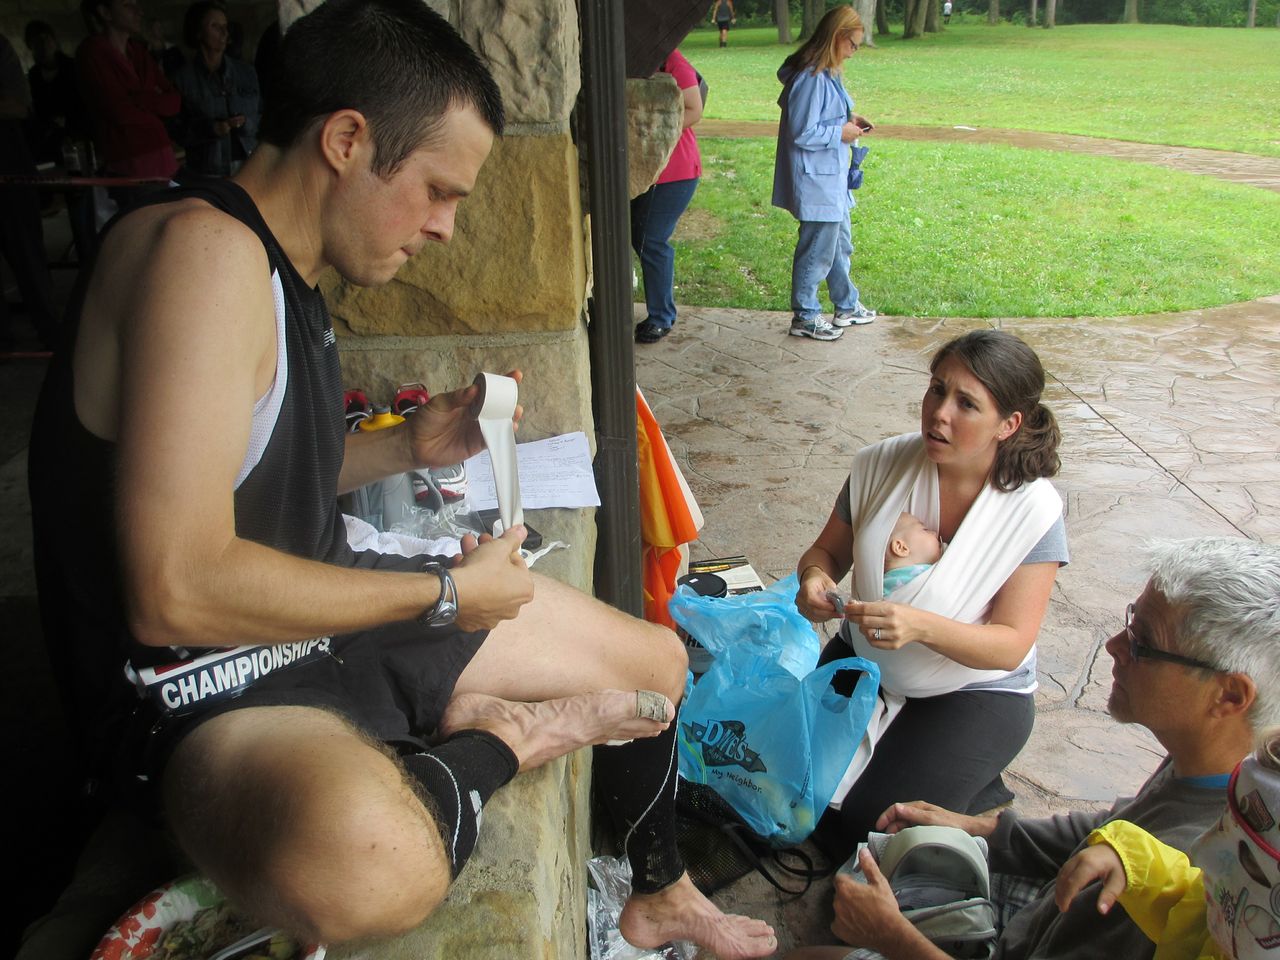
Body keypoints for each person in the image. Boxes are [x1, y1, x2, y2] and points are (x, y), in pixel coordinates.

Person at [27, 2, 775, 957]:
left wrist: (408, 447)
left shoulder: (285, 273)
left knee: (655, 665)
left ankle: (659, 891)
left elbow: (238, 470)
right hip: (203, 685)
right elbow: (175, 587)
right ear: (347, 140)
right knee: (375, 859)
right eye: (437, 190)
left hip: (320, 617)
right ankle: (500, 742)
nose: (447, 228)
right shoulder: (204, 253)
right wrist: (447, 595)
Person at [788, 536, 1280, 960]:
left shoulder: (1196, 880)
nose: (1113, 646)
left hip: (1039, 941)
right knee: (876, 864)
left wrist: (893, 938)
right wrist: (978, 827)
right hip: (1045, 915)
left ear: (1229, 695)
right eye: (1130, 623)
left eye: (1142, 643)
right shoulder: (1221, 769)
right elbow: (1116, 829)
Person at [796, 329, 1066, 857]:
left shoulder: (1032, 512)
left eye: (967, 403)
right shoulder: (880, 466)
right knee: (792, 791)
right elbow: (825, 553)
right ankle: (936, 765)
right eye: (937, 390)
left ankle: (968, 771)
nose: (939, 414)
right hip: (866, 660)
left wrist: (919, 626)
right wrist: (813, 579)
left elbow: (1011, 643)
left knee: (866, 830)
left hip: (974, 691)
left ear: (1009, 424)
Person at [772, 5, 876, 342]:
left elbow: (825, 115)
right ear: (837, 37)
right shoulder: (811, 78)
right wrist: (840, 132)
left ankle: (846, 304)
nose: (854, 52)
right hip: (816, 181)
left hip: (832, 180)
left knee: (839, 244)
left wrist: (850, 119)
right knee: (816, 249)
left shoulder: (829, 74)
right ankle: (805, 315)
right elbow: (802, 131)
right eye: (852, 44)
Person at [632, 48, 701, 345]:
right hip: (644, 169)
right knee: (640, 237)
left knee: (651, 240)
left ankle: (661, 317)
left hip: (674, 172)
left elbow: (694, 108)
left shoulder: (672, 61)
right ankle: (658, 313)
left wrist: (653, 130)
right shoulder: (634, 57)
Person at [76, 0, 181, 187]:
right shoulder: (93, 53)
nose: (139, 12)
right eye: (127, 5)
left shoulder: (139, 52)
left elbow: (174, 102)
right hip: (129, 164)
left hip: (163, 157)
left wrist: (140, 100)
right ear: (105, 13)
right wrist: (155, 105)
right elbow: (118, 111)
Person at [0, 34, 59, 350]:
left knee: (27, 254)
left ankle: (51, 333)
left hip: (9, 168)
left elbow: (19, 106)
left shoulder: (1, 49)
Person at [170, 0, 260, 176]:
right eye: (215, 26)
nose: (224, 33)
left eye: (225, 26)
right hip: (208, 171)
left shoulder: (246, 73)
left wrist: (246, 122)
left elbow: (263, 115)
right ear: (198, 32)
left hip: (249, 166)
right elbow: (177, 130)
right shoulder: (183, 79)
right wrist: (210, 129)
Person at [882, 512, 943, 595]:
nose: (935, 533)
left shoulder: (879, 592)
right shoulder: (935, 573)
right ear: (901, 547)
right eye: (925, 530)